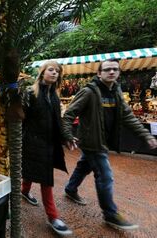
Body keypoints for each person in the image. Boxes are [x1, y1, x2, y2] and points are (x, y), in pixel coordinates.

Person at [62, 59, 157, 231]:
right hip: (92, 141)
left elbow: (127, 116)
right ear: (99, 73)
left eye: (115, 69)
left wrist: (145, 135)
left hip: (103, 140)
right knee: (105, 175)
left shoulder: (116, 91)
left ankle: (70, 188)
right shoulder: (89, 92)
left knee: (84, 165)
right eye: (107, 69)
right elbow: (69, 114)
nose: (111, 72)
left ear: (119, 73)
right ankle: (110, 213)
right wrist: (67, 135)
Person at [21, 60, 72, 236]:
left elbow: (58, 121)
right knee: (45, 178)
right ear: (42, 73)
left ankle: (24, 191)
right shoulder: (30, 92)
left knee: (35, 172)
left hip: (49, 143)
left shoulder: (55, 96)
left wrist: (66, 137)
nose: (54, 73)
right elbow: (20, 118)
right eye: (51, 70)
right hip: (32, 142)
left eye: (57, 71)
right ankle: (53, 217)